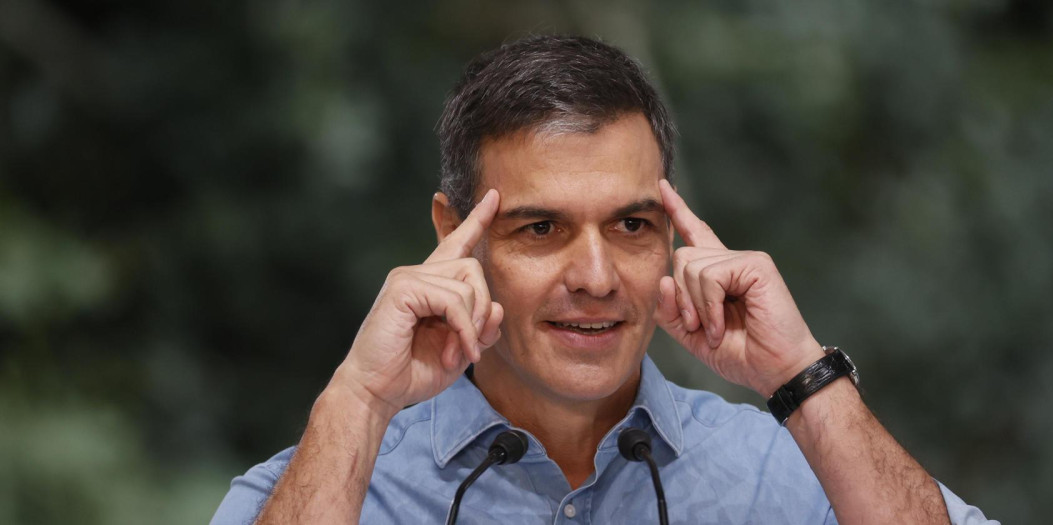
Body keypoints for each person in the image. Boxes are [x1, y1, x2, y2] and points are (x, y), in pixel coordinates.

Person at [212, 35, 996, 524]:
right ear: (455, 238)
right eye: (541, 228)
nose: (594, 276)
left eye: (630, 225)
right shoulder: (328, 485)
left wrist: (803, 373)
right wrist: (358, 397)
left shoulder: (787, 473)